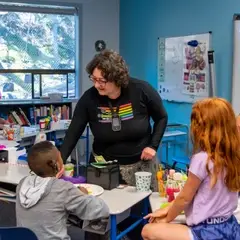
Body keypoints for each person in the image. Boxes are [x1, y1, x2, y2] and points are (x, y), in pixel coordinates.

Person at [60, 49, 168, 191]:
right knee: (105, 207)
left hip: (141, 164)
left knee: (143, 208)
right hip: (104, 166)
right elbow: (73, 132)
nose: (97, 85)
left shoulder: (142, 90)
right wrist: (59, 161)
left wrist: (153, 146)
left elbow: (161, 117)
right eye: (93, 79)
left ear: (117, 78)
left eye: (102, 81)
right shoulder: (89, 98)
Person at [141, 97, 240, 240]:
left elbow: (184, 198)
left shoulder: (202, 159)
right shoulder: (234, 156)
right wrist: (167, 209)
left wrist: (167, 218)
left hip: (207, 232)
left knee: (148, 230)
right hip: (230, 227)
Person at [16, 141, 109, 240]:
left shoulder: (22, 184)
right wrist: (84, 195)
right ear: (57, 163)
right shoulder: (63, 188)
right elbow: (101, 210)